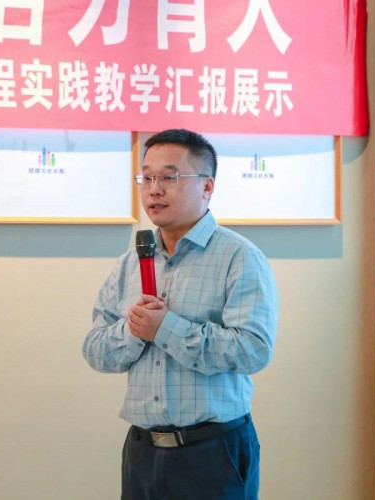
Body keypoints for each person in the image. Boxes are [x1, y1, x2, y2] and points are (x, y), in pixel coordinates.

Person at [82, 128, 279, 499]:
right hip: (142, 452)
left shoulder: (239, 257)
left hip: (212, 452)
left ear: (207, 186)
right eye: (147, 178)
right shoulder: (129, 263)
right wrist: (133, 331)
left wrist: (166, 328)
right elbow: (95, 350)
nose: (154, 190)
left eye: (169, 178)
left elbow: (253, 350)